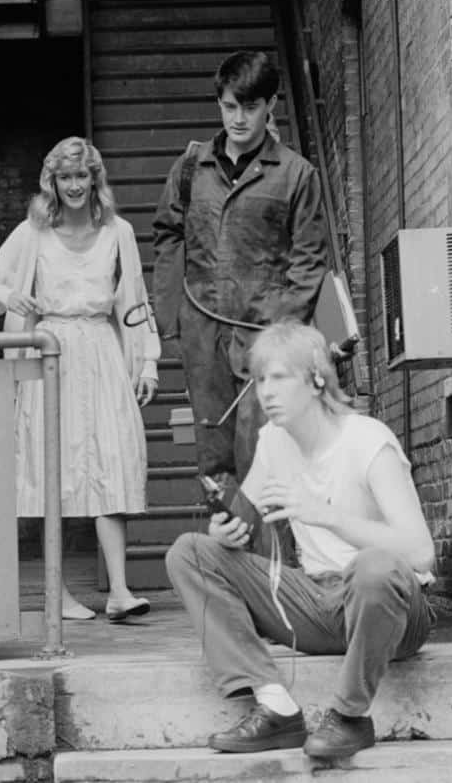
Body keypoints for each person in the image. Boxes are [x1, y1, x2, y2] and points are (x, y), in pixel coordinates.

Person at [165, 321, 435, 759]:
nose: (265, 391)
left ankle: (349, 716)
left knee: (375, 565)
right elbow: (242, 519)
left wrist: (326, 516)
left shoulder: (368, 441)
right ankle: (276, 707)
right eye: (259, 379)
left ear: (315, 379)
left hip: (392, 610)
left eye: (279, 377)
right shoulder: (273, 439)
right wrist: (225, 529)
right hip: (317, 604)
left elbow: (421, 553)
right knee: (190, 553)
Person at [0, 137, 160, 622]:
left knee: (109, 461)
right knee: (56, 466)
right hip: (51, 353)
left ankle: (118, 590)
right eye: (65, 177)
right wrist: (14, 297)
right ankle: (60, 593)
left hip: (101, 351)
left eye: (82, 176)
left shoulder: (119, 232)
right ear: (52, 182)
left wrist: (149, 362)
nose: (74, 186)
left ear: (96, 179)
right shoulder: (34, 234)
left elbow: (134, 304)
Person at [152, 50, 327, 484]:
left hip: (265, 335)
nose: (239, 119)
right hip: (204, 333)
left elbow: (309, 260)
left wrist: (282, 327)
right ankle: (224, 550)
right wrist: (171, 316)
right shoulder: (191, 168)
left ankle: (273, 553)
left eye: (250, 107)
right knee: (214, 460)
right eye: (230, 106)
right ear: (220, 104)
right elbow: (168, 235)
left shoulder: (296, 175)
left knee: (266, 453)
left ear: (271, 105)